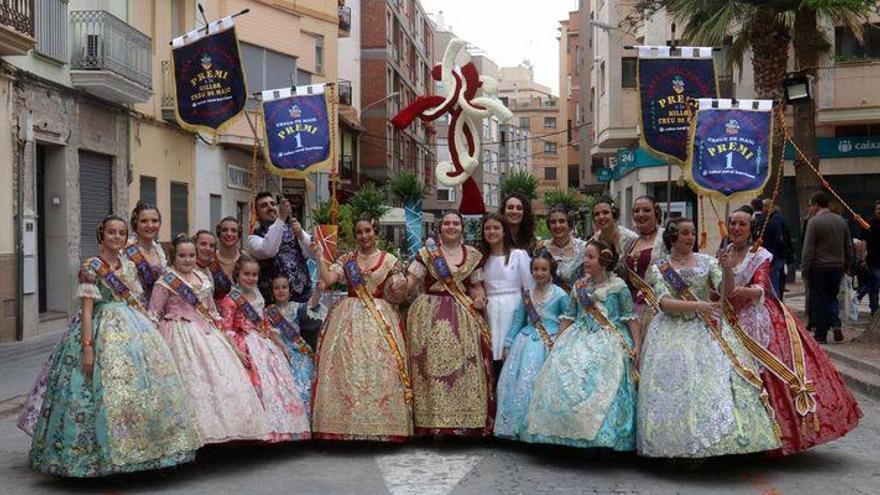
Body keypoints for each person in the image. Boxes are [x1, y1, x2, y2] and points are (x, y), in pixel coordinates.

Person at [29, 215, 199, 477]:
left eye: (121, 233)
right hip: (100, 327)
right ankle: (93, 458)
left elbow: (135, 299)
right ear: (102, 234)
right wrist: (87, 347)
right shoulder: (91, 267)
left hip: (132, 329)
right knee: (93, 392)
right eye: (112, 232)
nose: (117, 237)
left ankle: (143, 452)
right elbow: (86, 310)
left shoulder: (129, 266)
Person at [721, 208, 862, 455]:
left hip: (756, 320)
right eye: (732, 223)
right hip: (728, 318)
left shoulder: (761, 255)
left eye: (741, 224)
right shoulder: (723, 254)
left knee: (763, 375)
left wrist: (735, 290)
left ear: (751, 228)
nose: (735, 228)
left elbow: (761, 289)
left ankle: (770, 434)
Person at [637, 217, 781, 458]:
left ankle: (723, 440)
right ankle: (675, 445)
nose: (690, 237)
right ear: (673, 237)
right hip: (672, 331)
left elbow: (727, 291)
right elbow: (664, 304)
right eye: (684, 233)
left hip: (707, 329)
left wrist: (726, 268)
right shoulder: (660, 268)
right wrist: (700, 305)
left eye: (692, 232)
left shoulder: (708, 262)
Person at [149, 235, 270, 444]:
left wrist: (228, 339)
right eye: (182, 256)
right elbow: (153, 313)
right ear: (173, 257)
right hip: (177, 333)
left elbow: (212, 312)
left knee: (223, 380)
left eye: (191, 255)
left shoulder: (202, 277)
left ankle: (224, 433)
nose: (187, 260)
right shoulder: (166, 280)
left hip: (206, 333)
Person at [526, 240, 639, 451]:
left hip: (609, 337)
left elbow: (630, 317)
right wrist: (557, 342)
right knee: (566, 371)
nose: (585, 261)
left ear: (604, 261)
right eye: (585, 256)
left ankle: (601, 439)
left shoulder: (618, 287)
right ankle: (565, 434)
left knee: (600, 377)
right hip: (578, 335)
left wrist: (637, 344)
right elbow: (568, 316)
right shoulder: (579, 287)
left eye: (590, 257)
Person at [311, 213, 413, 441]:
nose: (364, 235)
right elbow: (328, 279)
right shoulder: (347, 259)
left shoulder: (389, 260)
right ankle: (345, 424)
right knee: (347, 367)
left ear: (376, 232)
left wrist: (400, 286)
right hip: (348, 318)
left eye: (368, 230)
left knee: (381, 368)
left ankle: (384, 425)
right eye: (359, 232)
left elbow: (398, 294)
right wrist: (319, 256)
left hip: (381, 318)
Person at [405, 210, 494, 437]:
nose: (451, 227)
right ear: (440, 228)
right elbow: (411, 282)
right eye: (447, 223)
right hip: (429, 315)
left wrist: (480, 297)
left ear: (462, 228)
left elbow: (475, 286)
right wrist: (396, 286)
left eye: (455, 223)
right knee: (428, 368)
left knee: (464, 367)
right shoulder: (426, 254)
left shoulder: (473, 256)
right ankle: (431, 422)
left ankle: (464, 422)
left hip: (462, 314)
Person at [219, 254, 311, 441]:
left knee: (277, 382)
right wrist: (237, 351)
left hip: (262, 341)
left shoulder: (258, 296)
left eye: (254, 275)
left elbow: (266, 325)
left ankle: (283, 428)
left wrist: (280, 344)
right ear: (237, 274)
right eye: (246, 274)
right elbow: (226, 328)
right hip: (243, 341)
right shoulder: (231, 299)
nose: (250, 278)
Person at [494, 251, 566, 440]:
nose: (539, 273)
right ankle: (517, 426)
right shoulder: (526, 296)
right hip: (525, 342)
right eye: (535, 269)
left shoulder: (559, 294)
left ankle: (543, 429)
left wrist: (563, 342)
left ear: (551, 271)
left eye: (544, 269)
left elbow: (567, 320)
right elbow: (518, 320)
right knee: (519, 383)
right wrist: (508, 344)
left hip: (549, 341)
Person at [479, 212, 534, 379]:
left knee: (510, 357)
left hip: (513, 309)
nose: (491, 231)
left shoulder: (518, 255)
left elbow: (528, 289)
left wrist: (531, 318)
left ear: (504, 231)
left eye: (496, 227)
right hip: (490, 311)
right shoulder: (482, 258)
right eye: (487, 228)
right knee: (491, 360)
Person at [265, 273, 326, 420]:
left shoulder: (296, 307)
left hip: (298, 351)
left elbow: (312, 304)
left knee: (304, 381)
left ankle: (305, 419)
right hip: (276, 350)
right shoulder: (268, 311)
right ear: (272, 291)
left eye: (284, 287)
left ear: (290, 290)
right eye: (277, 288)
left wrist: (318, 291)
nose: (281, 291)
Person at [801, 191, 853, 343]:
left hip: (819, 267)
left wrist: (805, 269)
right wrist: (847, 264)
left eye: (810, 205)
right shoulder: (841, 221)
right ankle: (836, 324)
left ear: (816, 205)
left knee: (819, 299)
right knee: (832, 297)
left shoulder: (814, 223)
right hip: (837, 266)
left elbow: (808, 249)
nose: (809, 208)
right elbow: (848, 245)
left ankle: (821, 334)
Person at [247, 192, 313, 304]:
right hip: (273, 303)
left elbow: (313, 253)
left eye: (272, 204)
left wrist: (301, 235)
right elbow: (269, 250)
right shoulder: (253, 238)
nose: (270, 208)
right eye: (264, 206)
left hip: (303, 296)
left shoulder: (292, 228)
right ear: (256, 215)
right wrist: (282, 218)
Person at [623, 196, 667, 328]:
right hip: (632, 309)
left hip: (659, 308)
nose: (641, 214)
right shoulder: (630, 242)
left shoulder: (666, 239)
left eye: (647, 210)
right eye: (636, 211)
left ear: (656, 213)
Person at [126, 202, 167, 303]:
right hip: (134, 307)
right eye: (144, 221)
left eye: (154, 221)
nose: (150, 225)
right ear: (135, 223)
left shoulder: (159, 250)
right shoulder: (127, 250)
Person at [541, 205, 587, 292]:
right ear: (549, 226)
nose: (557, 226)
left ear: (569, 225)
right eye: (553, 222)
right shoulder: (541, 248)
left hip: (576, 300)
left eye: (562, 221)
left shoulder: (583, 248)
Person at [591, 195, 638, 273]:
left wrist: (617, 247)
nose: (601, 217)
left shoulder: (631, 239)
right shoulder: (594, 241)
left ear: (614, 214)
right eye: (597, 214)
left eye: (605, 212)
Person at [759, 199, 792, 299]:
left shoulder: (774, 220)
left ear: (770, 207)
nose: (762, 209)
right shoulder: (778, 219)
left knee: (774, 282)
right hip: (779, 255)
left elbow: (779, 239)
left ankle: (776, 304)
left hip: (775, 255)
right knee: (777, 281)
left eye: (764, 206)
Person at [194, 228, 234, 301]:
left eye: (211, 246)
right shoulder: (186, 269)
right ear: (194, 246)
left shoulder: (211, 269)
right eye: (203, 244)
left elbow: (226, 290)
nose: (207, 248)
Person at [858, 200, 880, 315]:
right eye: (878, 209)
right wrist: (862, 258)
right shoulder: (868, 224)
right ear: (874, 211)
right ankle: (874, 308)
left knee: (874, 283)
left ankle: (861, 293)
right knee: (875, 283)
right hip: (873, 259)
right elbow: (864, 242)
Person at [214, 217, 244, 301]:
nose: (229, 234)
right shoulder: (210, 261)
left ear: (239, 235)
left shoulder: (246, 259)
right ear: (219, 233)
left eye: (234, 230)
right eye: (224, 230)